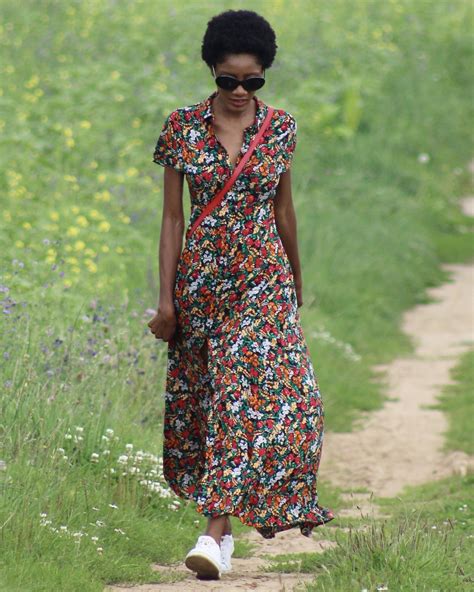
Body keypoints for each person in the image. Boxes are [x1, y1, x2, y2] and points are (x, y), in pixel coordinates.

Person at [147, 8, 335, 580]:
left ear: (264, 76)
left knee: (287, 402)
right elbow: (172, 221)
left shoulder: (281, 128)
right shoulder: (182, 126)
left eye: (251, 80)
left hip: (264, 280)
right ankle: (220, 532)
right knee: (215, 403)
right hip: (202, 287)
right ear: (211, 70)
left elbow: (284, 208)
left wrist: (295, 280)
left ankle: (213, 533)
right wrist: (166, 301)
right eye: (227, 79)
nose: (238, 90)